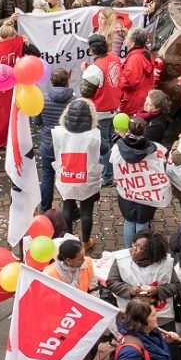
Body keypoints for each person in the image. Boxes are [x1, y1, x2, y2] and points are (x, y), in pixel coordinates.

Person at [52, 98, 106, 252]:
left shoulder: (59, 133)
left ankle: (68, 237)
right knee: (86, 211)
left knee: (67, 208)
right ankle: (86, 241)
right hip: (87, 178)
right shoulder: (94, 135)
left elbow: (51, 151)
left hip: (66, 176)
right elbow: (104, 149)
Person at [112, 118, 170, 246]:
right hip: (146, 194)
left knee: (129, 221)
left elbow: (114, 167)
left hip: (127, 193)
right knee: (142, 223)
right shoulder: (156, 149)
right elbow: (161, 168)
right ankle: (141, 250)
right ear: (145, 131)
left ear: (128, 129)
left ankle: (129, 250)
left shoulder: (117, 148)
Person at [34, 68, 77, 212]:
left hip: (48, 142)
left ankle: (44, 209)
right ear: (67, 82)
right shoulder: (74, 100)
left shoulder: (42, 98)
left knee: (47, 176)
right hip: (67, 144)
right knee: (67, 176)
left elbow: (37, 121)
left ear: (51, 81)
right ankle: (69, 209)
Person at [82, 35, 121, 187]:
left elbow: (86, 91)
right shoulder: (114, 58)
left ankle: (107, 177)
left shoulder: (94, 69)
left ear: (93, 50)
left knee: (103, 146)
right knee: (112, 143)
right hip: (114, 107)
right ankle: (113, 172)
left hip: (101, 110)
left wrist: (85, 71)